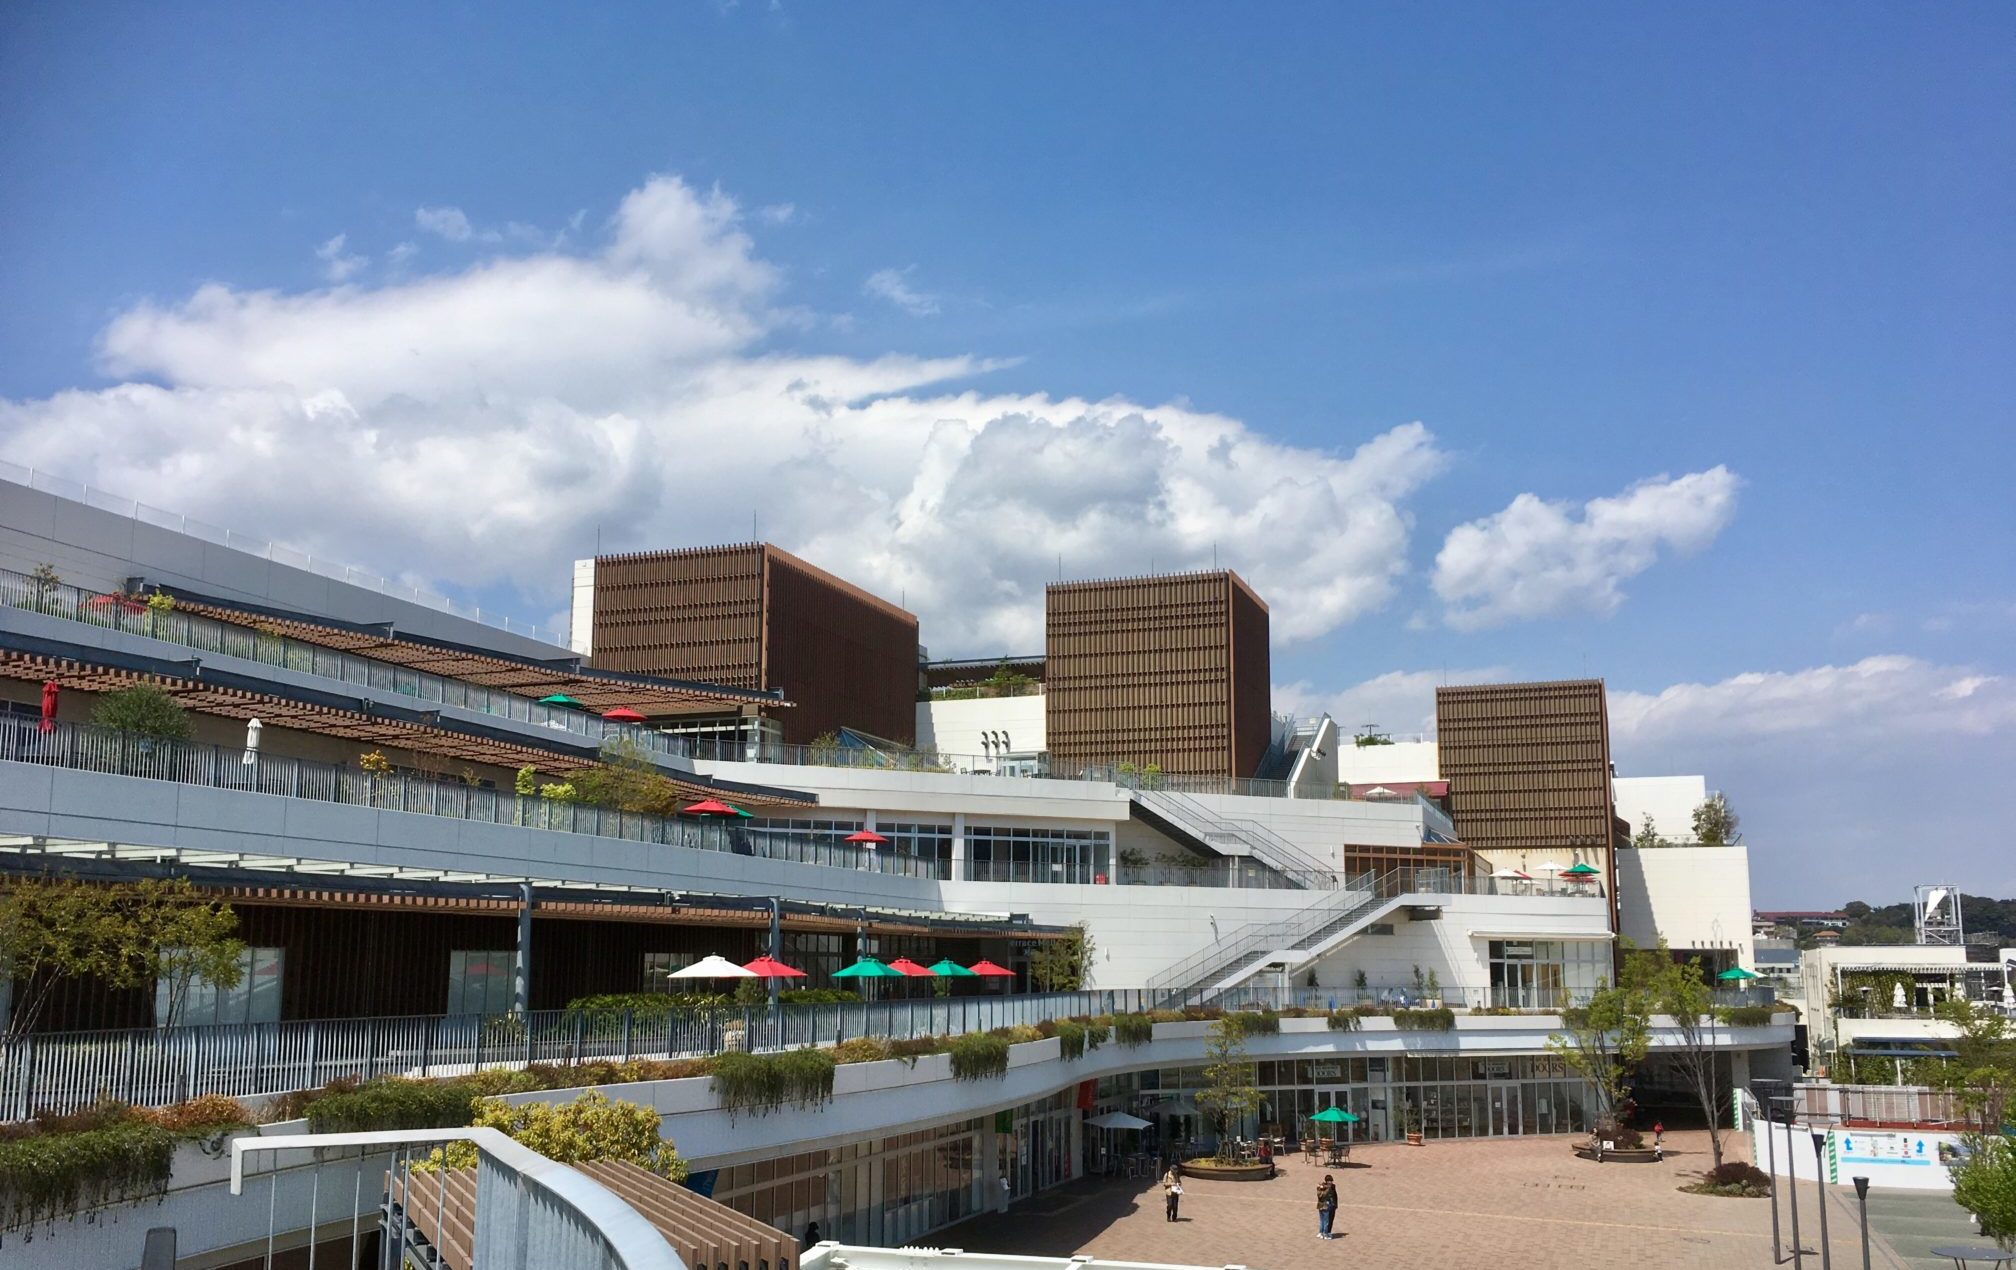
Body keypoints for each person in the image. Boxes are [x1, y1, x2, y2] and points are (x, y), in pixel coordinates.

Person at [1316, 1174, 1339, 1240]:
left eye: (1331, 1181)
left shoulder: (1333, 1186)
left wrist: (1336, 1205)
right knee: (1325, 1220)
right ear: (1326, 1181)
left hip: (1332, 1205)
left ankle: (1328, 1232)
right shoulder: (1323, 1187)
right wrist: (1323, 1187)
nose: (1330, 1182)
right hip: (1326, 1205)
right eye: (1329, 1181)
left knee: (1330, 1219)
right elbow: (1322, 1194)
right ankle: (1325, 1233)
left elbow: (1335, 1195)